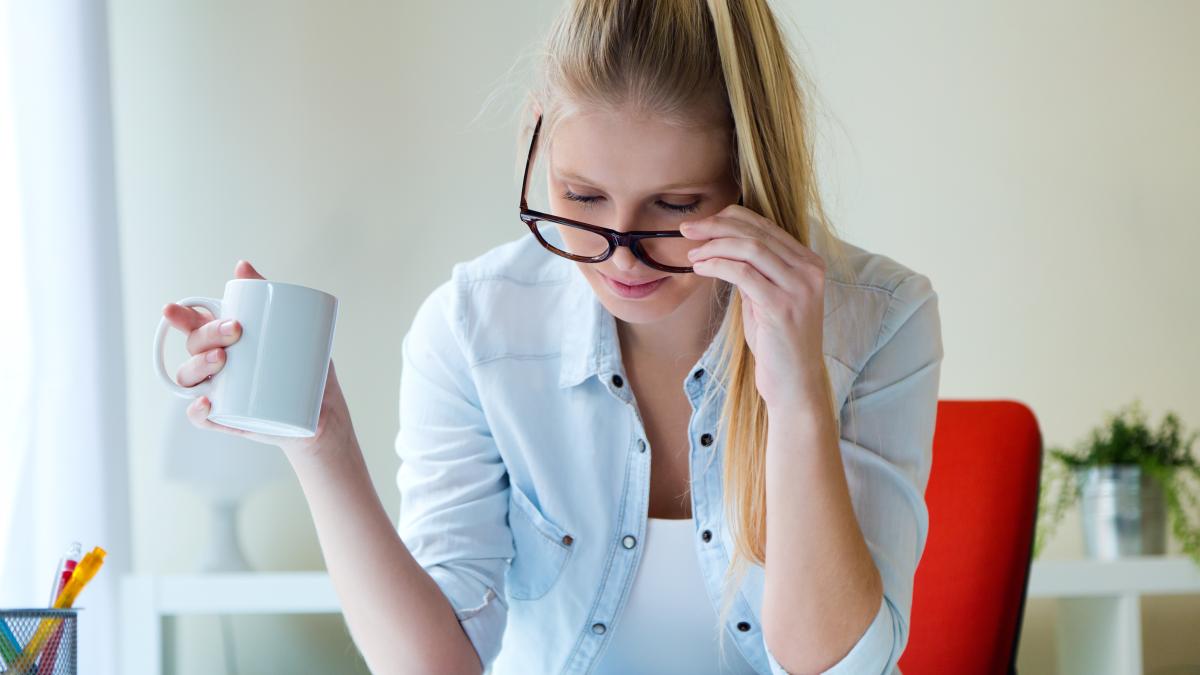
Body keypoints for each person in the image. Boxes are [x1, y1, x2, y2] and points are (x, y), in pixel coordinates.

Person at [161, 0, 943, 673]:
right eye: (582, 195)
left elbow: (841, 667)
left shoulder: (877, 317)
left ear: (752, 175)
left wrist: (799, 394)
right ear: (539, 138)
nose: (619, 249)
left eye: (675, 204)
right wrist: (320, 441)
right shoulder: (476, 328)